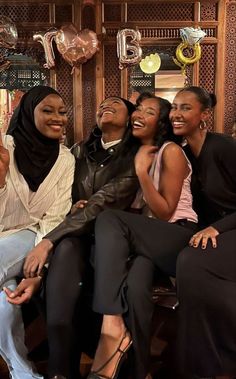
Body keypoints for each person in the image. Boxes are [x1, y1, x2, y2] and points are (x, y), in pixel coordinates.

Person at [5, 96, 140, 379]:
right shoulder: (78, 151)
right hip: (69, 234)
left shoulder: (133, 156)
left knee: (63, 254)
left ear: (130, 118)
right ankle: (59, 370)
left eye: (116, 103)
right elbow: (65, 200)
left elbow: (103, 202)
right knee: (57, 265)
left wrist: (47, 240)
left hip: (106, 240)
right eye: (102, 103)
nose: (106, 105)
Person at [87, 93, 198, 379]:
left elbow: (164, 212)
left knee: (109, 220)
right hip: (149, 241)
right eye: (138, 109)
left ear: (160, 123)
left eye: (149, 112)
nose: (138, 114)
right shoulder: (134, 155)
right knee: (136, 287)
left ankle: (110, 327)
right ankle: (138, 369)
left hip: (179, 236)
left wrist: (142, 173)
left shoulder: (170, 151)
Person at [0, 85, 75, 379]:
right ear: (29, 113)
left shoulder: (66, 158)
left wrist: (42, 252)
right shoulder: (7, 147)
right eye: (48, 110)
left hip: (34, 235)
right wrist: (2, 180)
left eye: (62, 112)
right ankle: (24, 373)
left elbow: (56, 215)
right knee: (5, 301)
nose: (58, 118)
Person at [169, 86, 236, 379]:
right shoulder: (181, 155)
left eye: (185, 107)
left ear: (204, 115)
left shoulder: (223, 146)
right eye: (174, 107)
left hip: (229, 228)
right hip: (211, 233)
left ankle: (200, 365)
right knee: (192, 265)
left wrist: (216, 228)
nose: (176, 113)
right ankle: (206, 361)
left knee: (192, 262)